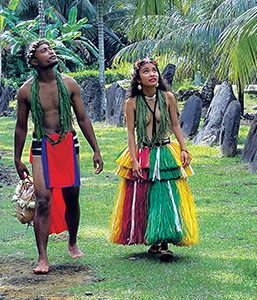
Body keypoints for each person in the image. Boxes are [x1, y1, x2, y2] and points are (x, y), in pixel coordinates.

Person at [14, 40, 104, 274]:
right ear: (34, 61)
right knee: (43, 200)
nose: (51, 52)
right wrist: (17, 158)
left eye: (51, 49)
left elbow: (83, 118)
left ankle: (72, 242)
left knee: (72, 196)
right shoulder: (26, 90)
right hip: (41, 145)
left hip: (67, 142)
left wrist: (96, 149)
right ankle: (42, 258)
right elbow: (21, 127)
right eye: (44, 50)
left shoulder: (69, 84)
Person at [108, 57, 198, 261]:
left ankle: (164, 242)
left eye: (154, 70)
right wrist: (134, 160)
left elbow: (176, 125)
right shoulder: (131, 103)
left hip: (165, 151)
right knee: (144, 196)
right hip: (143, 152)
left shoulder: (167, 97)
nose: (152, 74)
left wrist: (184, 149)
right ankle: (154, 240)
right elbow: (131, 133)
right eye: (146, 71)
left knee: (165, 195)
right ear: (138, 78)